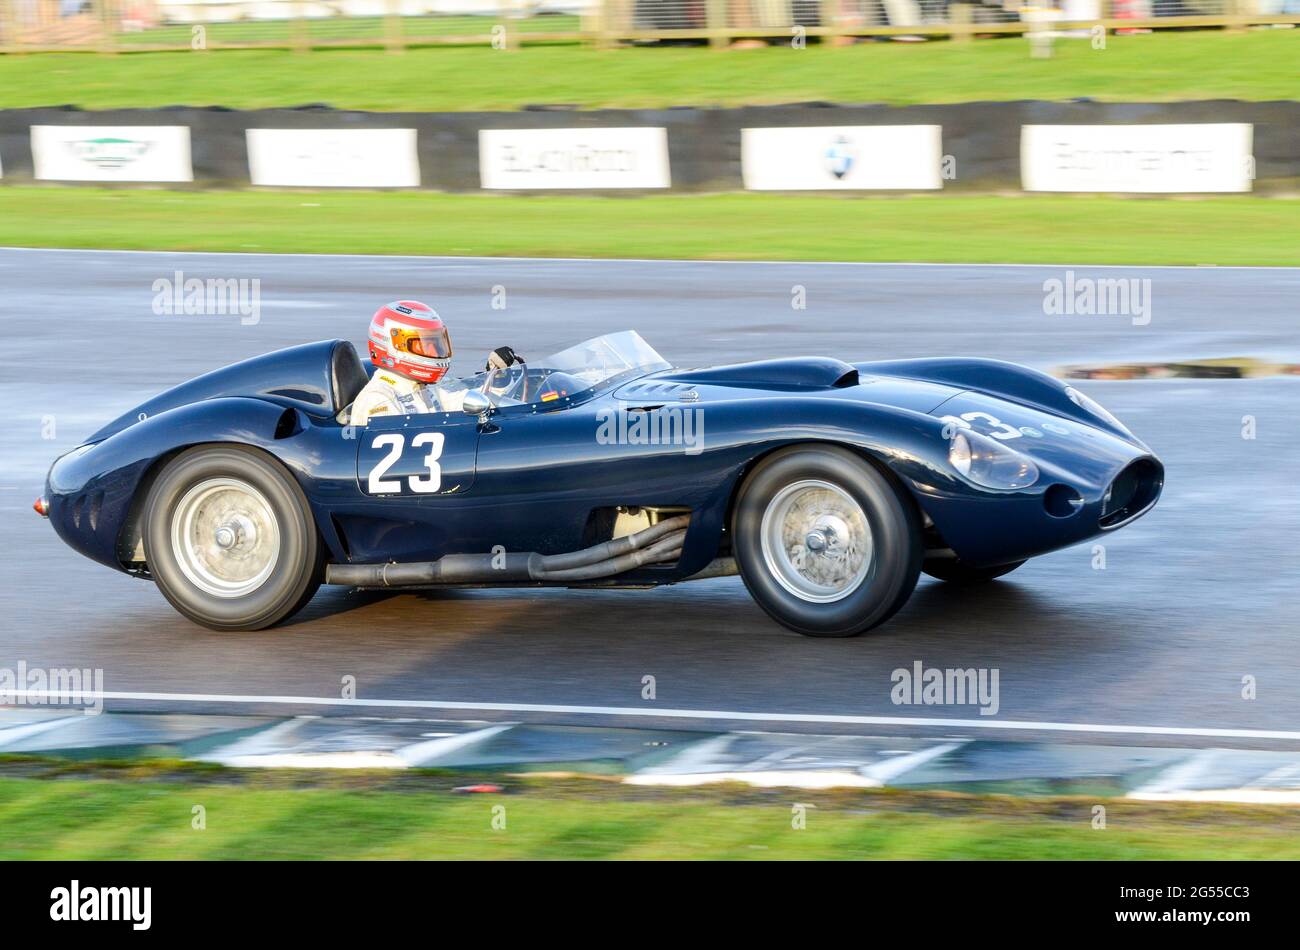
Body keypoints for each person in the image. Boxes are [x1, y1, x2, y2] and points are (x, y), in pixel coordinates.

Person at [351, 300, 521, 424]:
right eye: (424, 345)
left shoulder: (425, 388)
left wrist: (498, 377)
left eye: (435, 343)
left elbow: (476, 401)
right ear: (392, 345)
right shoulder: (378, 399)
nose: (433, 352)